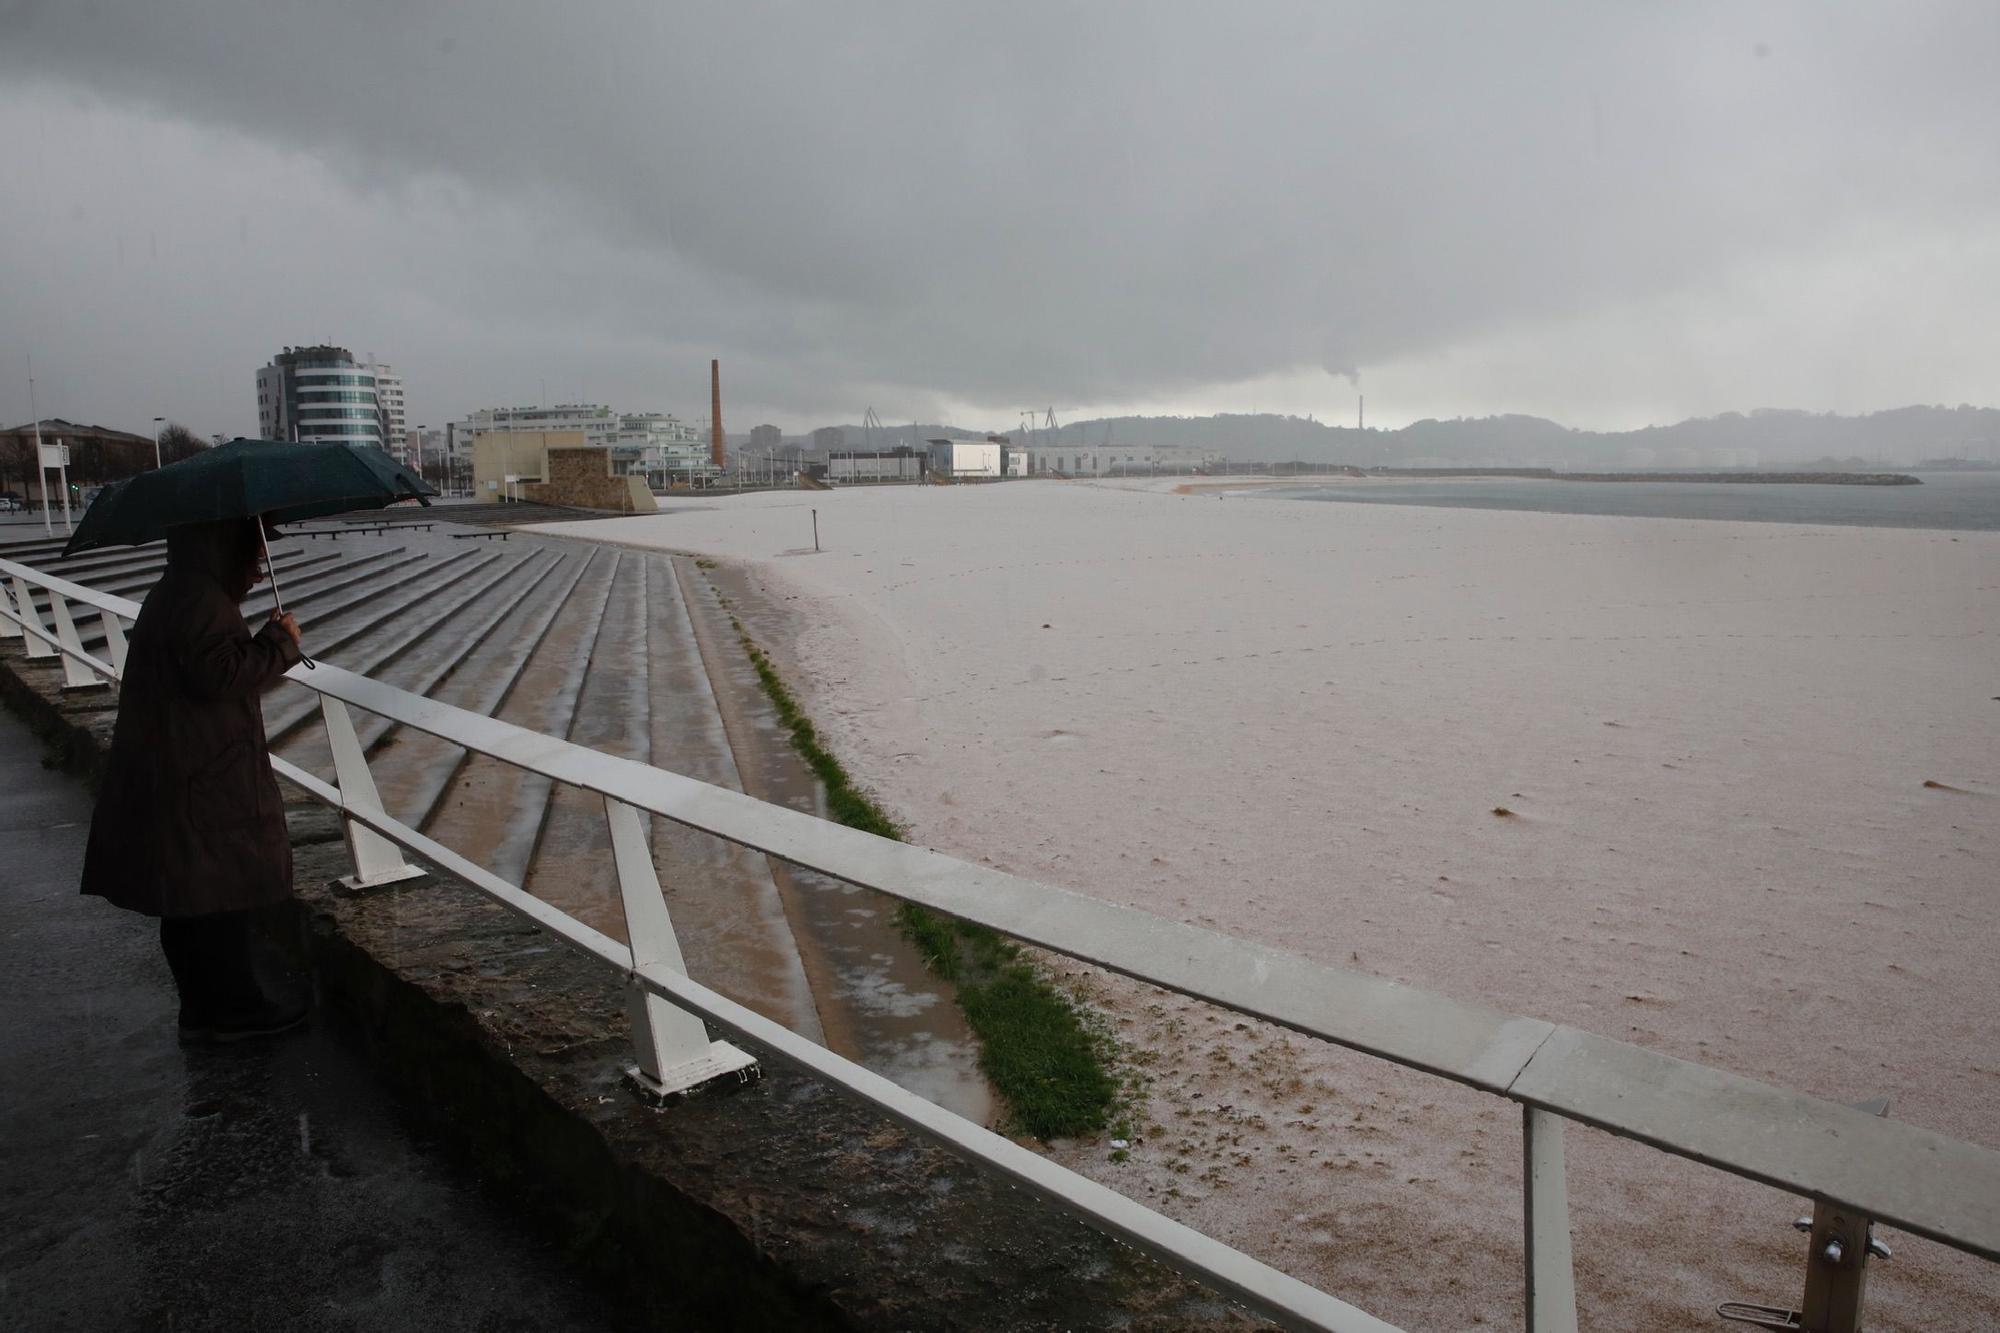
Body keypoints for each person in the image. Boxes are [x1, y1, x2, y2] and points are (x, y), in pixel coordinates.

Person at [79, 518, 307, 1041]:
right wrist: (279, 642)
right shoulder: (200, 601)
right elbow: (220, 676)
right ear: (226, 545)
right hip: (201, 775)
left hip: (181, 766)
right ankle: (233, 1012)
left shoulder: (180, 591)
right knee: (216, 898)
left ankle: (205, 1009)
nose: (258, 570)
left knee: (189, 900)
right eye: (253, 554)